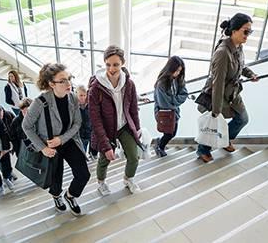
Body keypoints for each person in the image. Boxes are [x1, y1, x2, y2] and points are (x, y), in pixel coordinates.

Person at [22, 63, 91, 216]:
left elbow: (77, 123)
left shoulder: (72, 97)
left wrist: (62, 139)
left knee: (83, 174)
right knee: (55, 177)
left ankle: (70, 195)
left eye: (69, 79)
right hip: (50, 145)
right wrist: (43, 148)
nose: (69, 84)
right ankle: (56, 196)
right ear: (51, 84)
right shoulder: (40, 102)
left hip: (67, 140)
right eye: (63, 81)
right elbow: (26, 126)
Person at [196, 13, 259, 163]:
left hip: (233, 93)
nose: (248, 35)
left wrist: (250, 74)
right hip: (219, 94)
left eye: (250, 31)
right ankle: (203, 149)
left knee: (242, 119)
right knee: (214, 123)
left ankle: (224, 140)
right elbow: (217, 84)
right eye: (246, 31)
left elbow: (240, 66)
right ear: (235, 30)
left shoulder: (238, 47)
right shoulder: (223, 53)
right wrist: (216, 110)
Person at [89, 45, 142, 196]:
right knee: (104, 159)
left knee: (134, 157)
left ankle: (128, 179)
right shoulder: (95, 88)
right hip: (105, 129)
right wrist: (106, 146)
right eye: (108, 64)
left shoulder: (129, 84)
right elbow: (95, 120)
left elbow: (133, 109)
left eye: (116, 64)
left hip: (124, 126)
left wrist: (136, 129)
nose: (111, 68)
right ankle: (101, 183)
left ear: (122, 63)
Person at [153, 56, 188, 157]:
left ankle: (159, 144)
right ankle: (160, 147)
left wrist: (173, 100)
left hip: (174, 112)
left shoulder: (178, 79)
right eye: (176, 70)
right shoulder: (161, 83)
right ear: (170, 69)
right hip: (163, 113)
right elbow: (164, 103)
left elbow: (184, 94)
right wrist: (175, 100)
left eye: (179, 71)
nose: (177, 73)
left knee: (172, 133)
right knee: (169, 133)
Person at [76, 85, 95, 160]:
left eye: (84, 95)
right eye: (80, 95)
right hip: (80, 134)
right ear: (76, 95)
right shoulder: (74, 106)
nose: (83, 97)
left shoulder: (90, 105)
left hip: (90, 131)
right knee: (82, 149)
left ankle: (92, 155)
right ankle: (83, 158)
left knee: (92, 146)